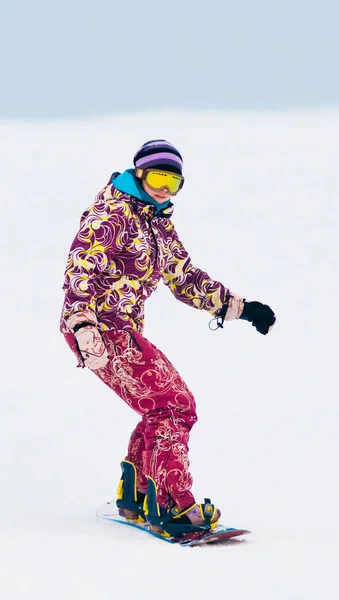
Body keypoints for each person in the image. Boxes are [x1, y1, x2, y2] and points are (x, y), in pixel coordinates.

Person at [60, 139, 276, 536]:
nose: (164, 189)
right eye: (158, 177)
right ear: (138, 172)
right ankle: (171, 502)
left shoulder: (156, 221)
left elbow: (184, 277)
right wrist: (82, 326)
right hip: (99, 327)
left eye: (173, 183)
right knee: (174, 405)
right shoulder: (111, 215)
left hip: (122, 328)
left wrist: (242, 308)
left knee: (161, 407)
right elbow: (79, 272)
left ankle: (137, 493)